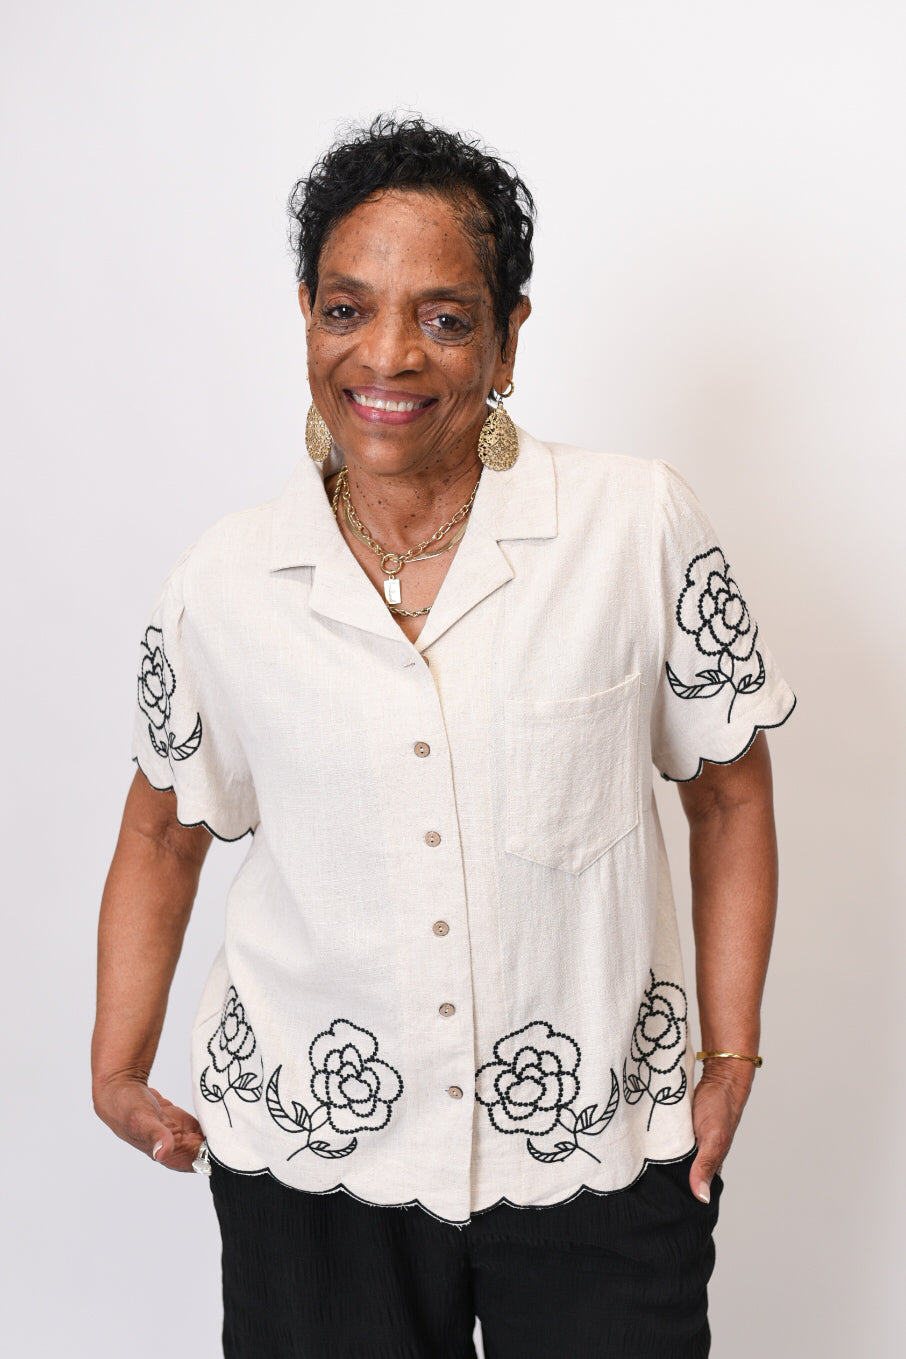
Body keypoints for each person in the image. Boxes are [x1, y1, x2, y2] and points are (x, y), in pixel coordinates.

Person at [92, 115, 796, 1359]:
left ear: (509, 338)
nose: (387, 354)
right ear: (305, 318)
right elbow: (162, 830)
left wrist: (730, 1052)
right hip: (315, 1159)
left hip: (597, 1148)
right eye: (347, 309)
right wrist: (116, 1063)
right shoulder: (225, 581)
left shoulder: (634, 525)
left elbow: (730, 792)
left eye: (445, 318)